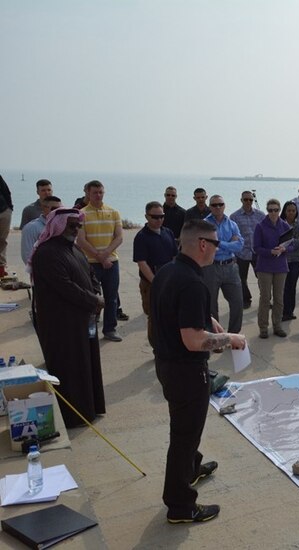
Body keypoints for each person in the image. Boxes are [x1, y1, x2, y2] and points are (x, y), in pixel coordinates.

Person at [151, 219, 246, 524]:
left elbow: (177, 309)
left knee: (186, 428)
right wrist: (230, 338)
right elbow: (194, 341)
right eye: (217, 243)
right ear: (203, 245)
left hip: (166, 364)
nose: (219, 249)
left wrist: (208, 318)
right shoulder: (192, 282)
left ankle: (192, 468)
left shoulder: (169, 271)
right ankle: (180, 505)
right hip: (186, 371)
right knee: (184, 434)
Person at [30, 207, 105, 427]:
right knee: (69, 368)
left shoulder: (75, 250)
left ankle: (91, 408)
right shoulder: (46, 253)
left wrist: (97, 293)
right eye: (71, 225)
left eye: (78, 225)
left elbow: (91, 276)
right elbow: (65, 287)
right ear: (58, 225)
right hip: (61, 324)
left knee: (87, 364)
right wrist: (93, 301)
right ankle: (74, 417)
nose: (75, 229)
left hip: (82, 320)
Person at [76, 180, 125, 342]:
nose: (98, 195)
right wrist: (99, 256)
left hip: (111, 263)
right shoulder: (81, 214)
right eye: (95, 192)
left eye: (100, 192)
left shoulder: (114, 212)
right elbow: (81, 241)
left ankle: (110, 329)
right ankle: (89, 330)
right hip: (90, 263)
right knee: (90, 298)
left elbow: (119, 237)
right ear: (88, 193)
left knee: (111, 298)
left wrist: (106, 254)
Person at [133, 201, 178, 349]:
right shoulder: (141, 237)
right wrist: (156, 281)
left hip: (170, 282)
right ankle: (157, 347)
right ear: (146, 216)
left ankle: (170, 342)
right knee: (154, 317)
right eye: (155, 217)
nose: (159, 220)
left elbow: (174, 257)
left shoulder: (168, 233)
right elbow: (142, 263)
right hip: (151, 284)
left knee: (171, 314)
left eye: (161, 216)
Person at [203, 195, 244, 334]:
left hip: (230, 267)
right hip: (211, 267)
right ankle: (216, 337)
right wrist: (229, 243)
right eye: (214, 205)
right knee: (211, 305)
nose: (218, 207)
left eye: (220, 204)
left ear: (224, 205)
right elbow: (206, 247)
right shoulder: (204, 224)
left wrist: (219, 243)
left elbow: (239, 245)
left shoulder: (232, 224)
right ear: (210, 207)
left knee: (238, 302)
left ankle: (233, 335)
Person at [253, 199, 293, 338]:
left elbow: (292, 245)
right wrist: (270, 252)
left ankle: (277, 325)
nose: (273, 212)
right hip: (264, 267)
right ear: (267, 210)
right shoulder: (260, 226)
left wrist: (283, 249)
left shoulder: (285, 226)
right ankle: (263, 327)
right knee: (265, 298)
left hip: (281, 267)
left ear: (280, 210)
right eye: (270, 210)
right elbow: (256, 248)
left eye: (276, 210)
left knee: (279, 298)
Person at [230, 191, 265, 309]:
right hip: (241, 252)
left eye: (250, 200)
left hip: (257, 252)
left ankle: (265, 299)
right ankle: (246, 298)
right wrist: (233, 254)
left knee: (262, 277)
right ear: (241, 200)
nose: (248, 202)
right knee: (241, 278)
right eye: (246, 200)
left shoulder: (260, 215)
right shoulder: (234, 216)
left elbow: (265, 232)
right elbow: (232, 236)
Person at [279, 201, 299, 322]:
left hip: (295, 260)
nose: (291, 213)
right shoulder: (279, 224)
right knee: (283, 287)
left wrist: (287, 244)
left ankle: (290, 311)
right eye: (289, 210)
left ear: (296, 212)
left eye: (293, 211)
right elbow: (277, 240)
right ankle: (283, 311)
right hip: (281, 260)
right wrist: (287, 244)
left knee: (292, 286)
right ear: (285, 211)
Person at [21, 196, 62, 263]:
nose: (58, 211)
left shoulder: (64, 226)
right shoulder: (31, 228)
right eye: (54, 209)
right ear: (44, 208)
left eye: (60, 209)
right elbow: (27, 255)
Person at [0, 174, 13, 278]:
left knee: (2, 240)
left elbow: (6, 191)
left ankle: (1, 267)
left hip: (4, 211)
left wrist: (10, 208)